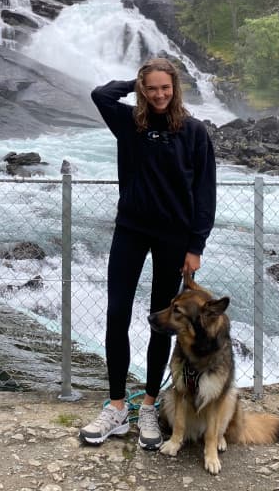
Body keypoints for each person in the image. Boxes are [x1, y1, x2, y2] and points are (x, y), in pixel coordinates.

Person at [79, 56, 217, 450]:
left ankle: (151, 406)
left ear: (175, 90)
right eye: (152, 88)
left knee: (162, 319)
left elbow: (205, 191)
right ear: (144, 89)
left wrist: (196, 245)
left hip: (174, 238)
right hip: (131, 230)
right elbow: (100, 94)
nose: (159, 95)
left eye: (165, 88)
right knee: (117, 312)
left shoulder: (193, 131)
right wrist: (134, 82)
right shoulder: (130, 123)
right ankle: (118, 407)